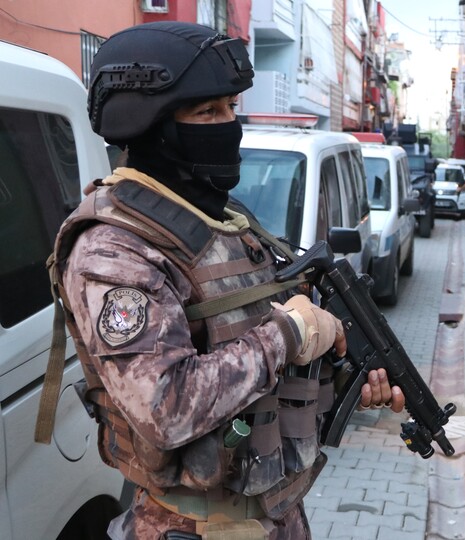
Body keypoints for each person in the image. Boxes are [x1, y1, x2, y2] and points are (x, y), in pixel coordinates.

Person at [47, 22, 404, 539]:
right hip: (192, 525)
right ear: (151, 125)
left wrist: (343, 377)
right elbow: (165, 407)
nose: (229, 124)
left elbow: (253, 352)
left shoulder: (222, 219)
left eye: (231, 107)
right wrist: (292, 333)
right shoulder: (113, 248)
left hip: (278, 515)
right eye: (207, 112)